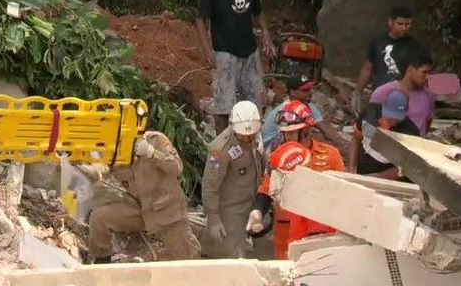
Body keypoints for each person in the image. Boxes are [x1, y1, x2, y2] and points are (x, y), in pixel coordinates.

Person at [195, 0, 274, 133]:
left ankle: (254, 141)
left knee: (256, 101)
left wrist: (266, 35)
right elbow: (200, 21)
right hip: (225, 53)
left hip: (249, 51)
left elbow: (258, 13)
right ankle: (225, 142)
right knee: (224, 106)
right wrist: (207, 51)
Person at [86, 132, 201, 262]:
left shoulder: (156, 140)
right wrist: (90, 167)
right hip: (138, 209)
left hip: (167, 212)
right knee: (99, 218)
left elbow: (177, 168)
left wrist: (152, 153)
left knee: (188, 256)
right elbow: (102, 172)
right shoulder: (114, 148)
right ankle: (102, 265)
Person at [251, 101, 345, 259]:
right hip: (287, 229)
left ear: (306, 130)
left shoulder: (330, 155)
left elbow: (343, 193)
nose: (288, 138)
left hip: (320, 229)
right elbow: (267, 188)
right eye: (285, 133)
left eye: (293, 133)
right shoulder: (279, 158)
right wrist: (257, 210)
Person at [202, 100, 263, 258]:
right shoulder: (219, 151)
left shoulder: (254, 135)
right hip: (231, 210)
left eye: (251, 135)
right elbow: (210, 186)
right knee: (233, 256)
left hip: (255, 201)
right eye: (244, 136)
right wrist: (214, 219)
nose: (248, 139)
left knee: (267, 247)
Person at [345, 7, 424, 111]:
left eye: (407, 24)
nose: (404, 28)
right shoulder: (378, 42)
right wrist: (357, 92)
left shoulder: (414, 46)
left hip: (403, 97)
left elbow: (419, 72)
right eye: (400, 24)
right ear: (390, 22)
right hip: (379, 95)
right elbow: (368, 67)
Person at [262, 75, 347, 153]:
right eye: (305, 90)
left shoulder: (307, 104)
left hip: (289, 143)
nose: (310, 93)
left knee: (322, 138)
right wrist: (336, 149)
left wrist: (344, 144)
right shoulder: (287, 111)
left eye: (310, 88)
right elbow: (303, 138)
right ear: (292, 92)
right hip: (271, 150)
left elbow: (324, 127)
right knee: (316, 139)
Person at [349, 90, 420, 179]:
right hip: (360, 170)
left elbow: (405, 168)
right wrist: (352, 167)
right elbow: (356, 139)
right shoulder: (370, 114)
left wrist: (378, 177)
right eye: (390, 116)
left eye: (397, 117)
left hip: (387, 180)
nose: (393, 120)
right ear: (384, 106)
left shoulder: (410, 133)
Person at [368, 48, 435, 136]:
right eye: (424, 72)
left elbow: (427, 123)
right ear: (411, 69)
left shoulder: (428, 95)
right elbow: (369, 123)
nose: (427, 77)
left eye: (429, 73)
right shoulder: (383, 92)